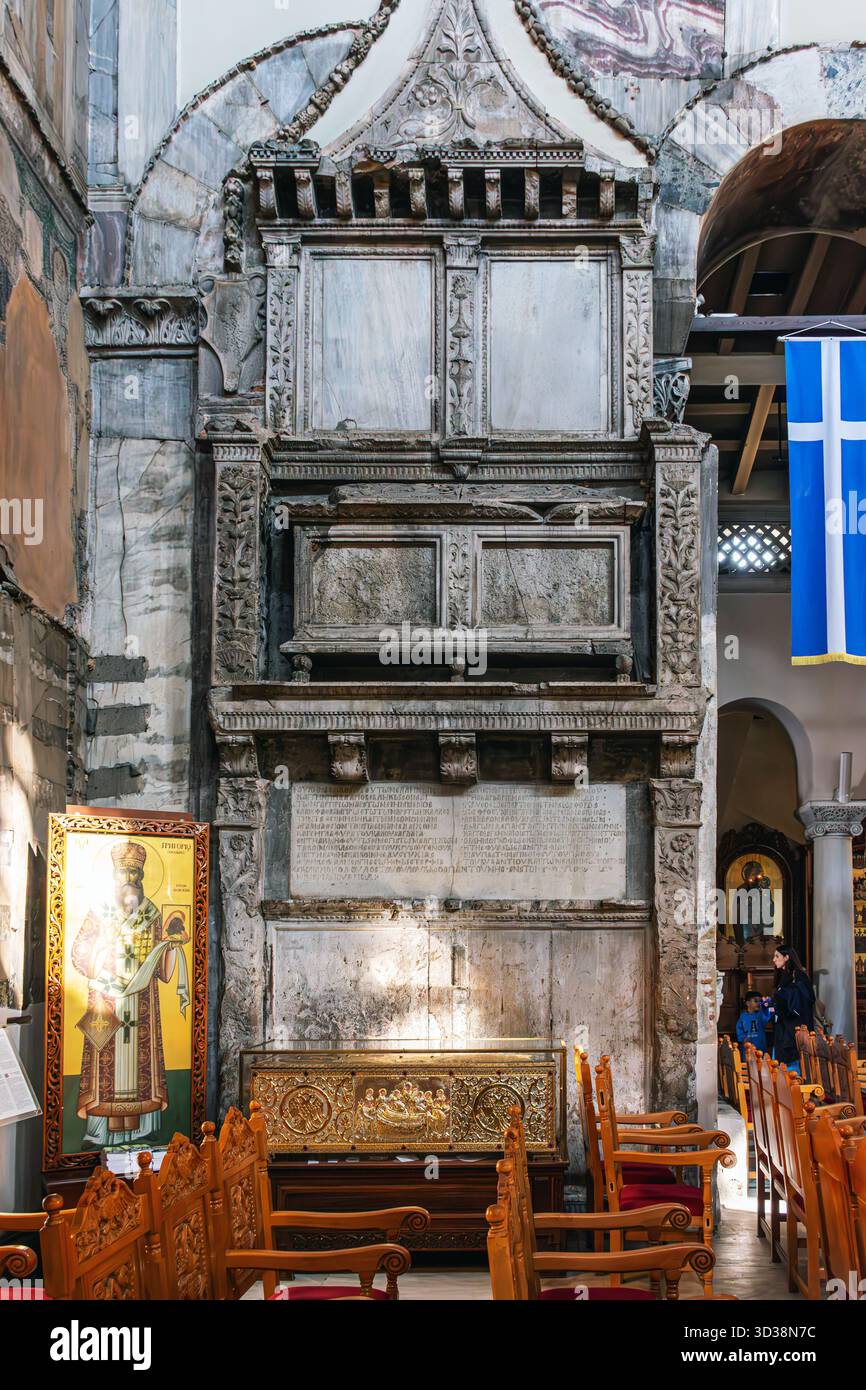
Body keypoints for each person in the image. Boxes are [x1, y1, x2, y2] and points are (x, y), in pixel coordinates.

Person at [770, 943, 814, 1069]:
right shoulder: (783, 976)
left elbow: (807, 998)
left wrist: (781, 996)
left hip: (794, 1027)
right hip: (783, 1026)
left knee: (793, 1066)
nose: (774, 959)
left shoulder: (799, 975)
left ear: (787, 957)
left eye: (777, 956)